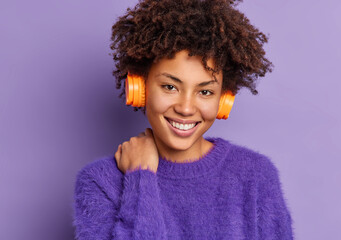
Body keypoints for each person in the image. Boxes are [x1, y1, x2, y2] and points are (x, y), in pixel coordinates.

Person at [73, 0, 294, 239]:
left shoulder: (256, 175)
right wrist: (140, 178)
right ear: (139, 89)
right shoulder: (100, 182)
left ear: (223, 100)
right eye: (170, 86)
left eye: (205, 92)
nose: (186, 108)